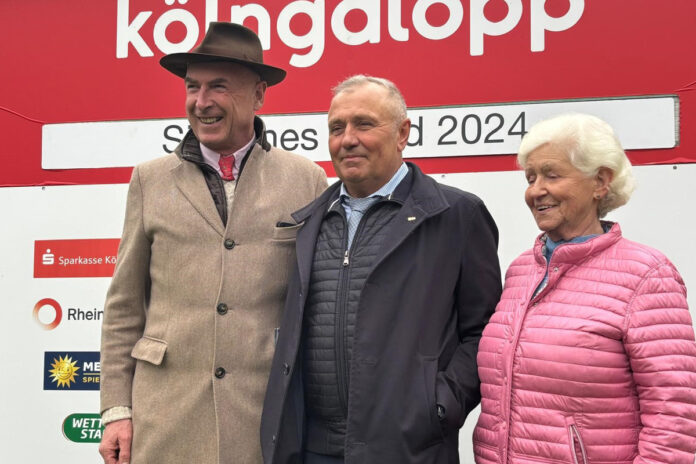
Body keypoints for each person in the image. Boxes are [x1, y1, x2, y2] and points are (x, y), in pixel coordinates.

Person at [98, 22, 327, 464]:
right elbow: (124, 306)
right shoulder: (149, 179)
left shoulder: (306, 180)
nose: (201, 102)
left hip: (264, 419)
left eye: (218, 86)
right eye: (192, 87)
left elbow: (316, 305)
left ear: (259, 94)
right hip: (163, 417)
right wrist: (117, 411)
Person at [260, 75, 502, 464]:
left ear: (403, 133)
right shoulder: (309, 222)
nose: (347, 139)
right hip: (312, 449)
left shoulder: (457, 215)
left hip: (407, 448)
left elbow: (485, 331)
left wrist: (439, 407)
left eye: (364, 124)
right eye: (336, 128)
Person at [473, 113, 696, 463]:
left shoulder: (647, 275)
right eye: (530, 178)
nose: (535, 190)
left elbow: (675, 412)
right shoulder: (520, 271)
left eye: (552, 174)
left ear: (600, 182)